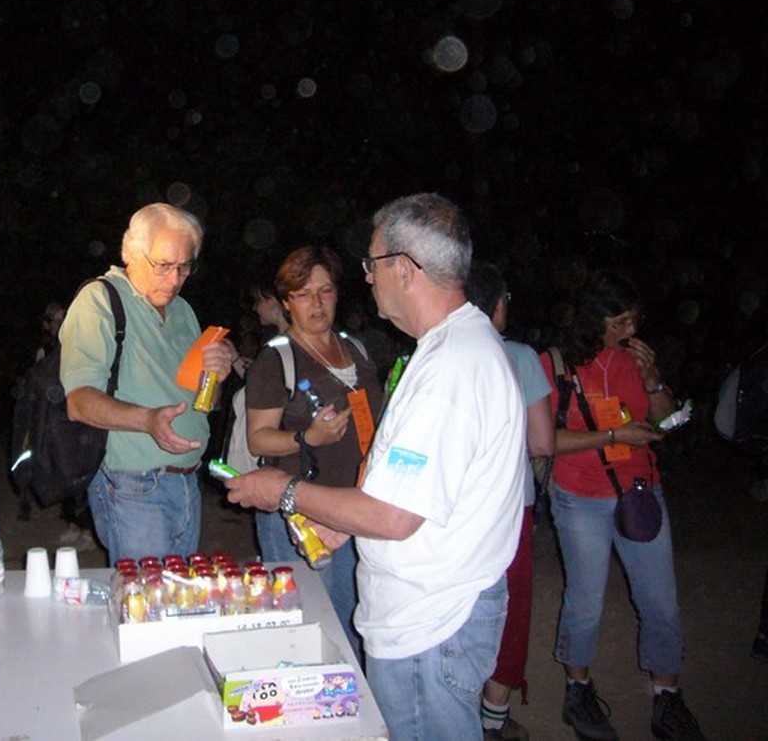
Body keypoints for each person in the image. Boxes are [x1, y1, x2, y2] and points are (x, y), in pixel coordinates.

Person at [225, 192, 526, 739]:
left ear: (404, 270)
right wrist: (341, 523)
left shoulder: (449, 369)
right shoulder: (452, 348)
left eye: (373, 263)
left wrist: (283, 490)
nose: (367, 278)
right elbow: (408, 480)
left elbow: (393, 515)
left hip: (430, 625)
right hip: (434, 610)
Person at [540, 270, 706, 741]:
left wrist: (652, 382)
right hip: (581, 497)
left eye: (634, 319)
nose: (630, 330)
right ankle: (578, 689)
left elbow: (668, 423)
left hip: (640, 492)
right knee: (586, 602)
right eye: (619, 322)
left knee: (661, 602)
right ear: (592, 319)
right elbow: (545, 440)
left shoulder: (636, 359)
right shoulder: (556, 363)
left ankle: (667, 696)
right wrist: (613, 435)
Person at [61, 202, 235, 563]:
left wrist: (217, 376)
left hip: (188, 481)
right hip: (134, 484)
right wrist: (147, 420)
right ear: (132, 253)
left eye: (184, 267)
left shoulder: (183, 310)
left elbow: (206, 402)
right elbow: (78, 402)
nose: (174, 279)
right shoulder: (100, 299)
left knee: (175, 594)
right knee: (146, 596)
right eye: (164, 265)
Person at [244, 246, 382, 664]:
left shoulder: (355, 349)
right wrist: (308, 437)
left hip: (356, 507)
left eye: (325, 291)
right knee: (307, 632)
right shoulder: (277, 359)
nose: (317, 303)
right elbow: (258, 440)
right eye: (303, 294)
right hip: (300, 515)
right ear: (286, 302)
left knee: (357, 623)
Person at [466, 262, 556, 741]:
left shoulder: (437, 354)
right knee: (510, 607)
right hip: (508, 506)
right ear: (497, 305)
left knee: (460, 604)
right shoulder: (519, 356)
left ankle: (454, 701)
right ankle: (492, 719)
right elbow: (542, 442)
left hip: (456, 507)